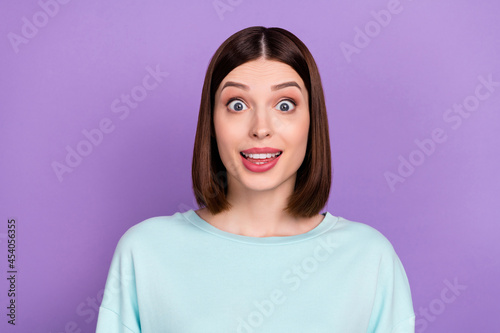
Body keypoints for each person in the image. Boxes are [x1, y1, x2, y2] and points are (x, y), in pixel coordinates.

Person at [96, 26, 415, 332]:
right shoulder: (146, 252)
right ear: (212, 122)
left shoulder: (369, 259)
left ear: (311, 121)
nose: (261, 128)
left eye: (285, 105)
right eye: (237, 105)